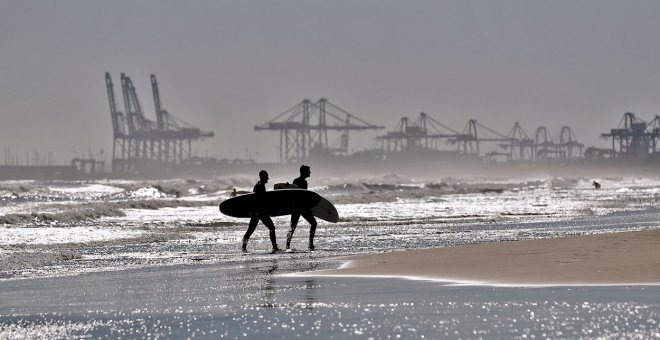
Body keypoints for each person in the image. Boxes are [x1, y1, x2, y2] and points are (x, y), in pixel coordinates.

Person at [242, 170, 280, 253]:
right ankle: (275, 247)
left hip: (256, 212)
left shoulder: (259, 185)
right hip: (260, 212)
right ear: (263, 177)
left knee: (250, 230)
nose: (268, 178)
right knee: (272, 228)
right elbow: (260, 201)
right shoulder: (260, 186)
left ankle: (244, 247)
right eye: (266, 176)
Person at [286, 165, 318, 250]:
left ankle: (287, 245)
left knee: (293, 227)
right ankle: (310, 244)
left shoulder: (296, 180)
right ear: (304, 172)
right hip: (302, 208)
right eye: (308, 171)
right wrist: (309, 207)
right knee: (314, 223)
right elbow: (304, 196)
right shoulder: (303, 182)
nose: (310, 172)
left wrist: (293, 207)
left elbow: (293, 195)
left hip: (296, 208)